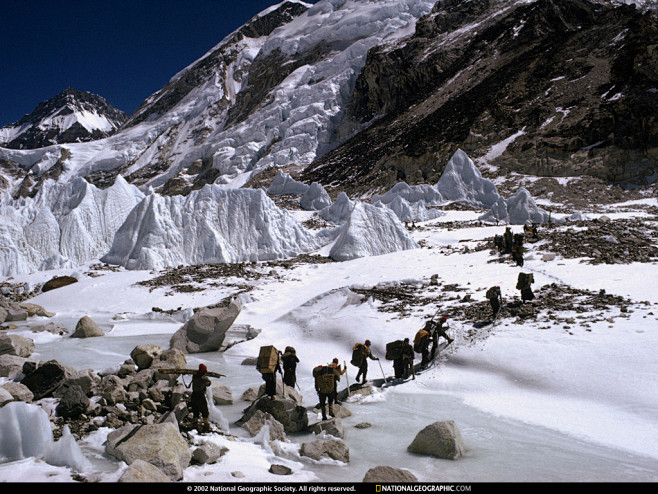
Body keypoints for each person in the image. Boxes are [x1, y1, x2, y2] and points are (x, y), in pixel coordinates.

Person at [185, 363, 212, 431]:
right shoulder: (204, 378)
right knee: (205, 410)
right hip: (200, 396)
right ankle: (206, 424)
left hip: (194, 395)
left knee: (195, 410)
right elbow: (209, 383)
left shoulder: (194, 376)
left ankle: (195, 423)